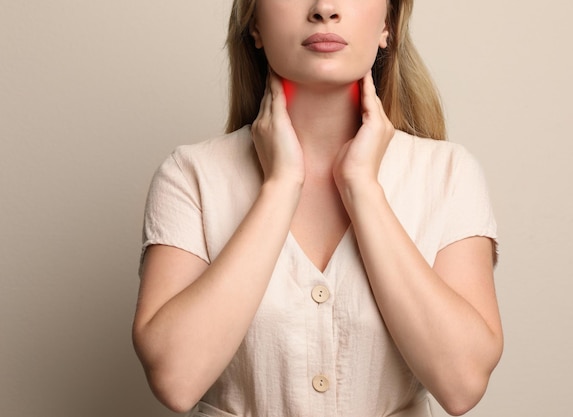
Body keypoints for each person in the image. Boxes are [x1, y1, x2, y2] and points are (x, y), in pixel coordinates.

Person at [132, 0, 503, 416]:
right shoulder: (190, 176)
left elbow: (463, 384)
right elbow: (175, 380)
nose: (324, 8)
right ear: (253, 24)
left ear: (389, 24)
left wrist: (362, 188)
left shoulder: (448, 175)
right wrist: (279, 187)